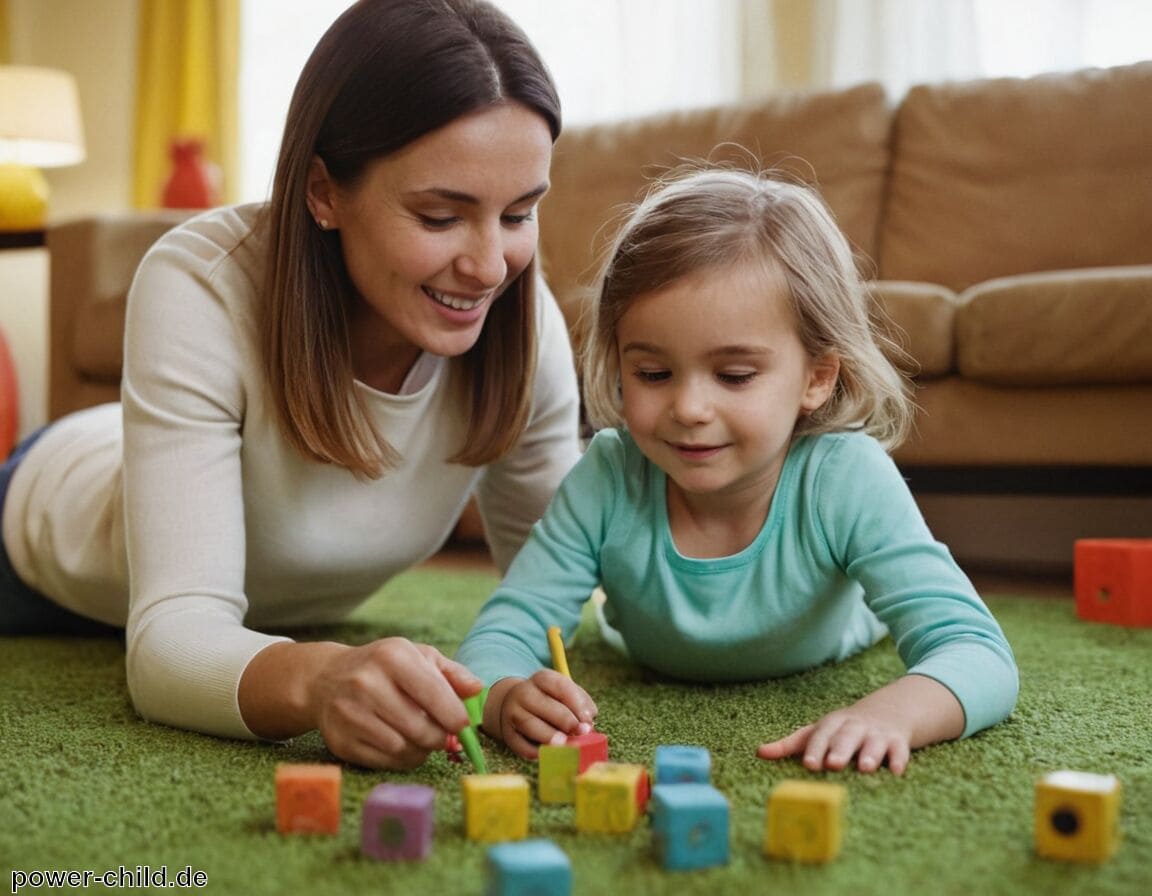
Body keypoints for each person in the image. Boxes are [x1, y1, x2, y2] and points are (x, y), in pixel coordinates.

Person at [0, 0, 582, 771]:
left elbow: (562, 584)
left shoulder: (523, 322)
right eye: (441, 216)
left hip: (268, 597)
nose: (488, 266)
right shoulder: (197, 282)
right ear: (322, 192)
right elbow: (171, 644)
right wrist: (321, 677)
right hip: (46, 533)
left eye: (519, 214)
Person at [455, 164, 1019, 776]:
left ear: (817, 377)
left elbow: (979, 654)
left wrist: (894, 714)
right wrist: (505, 694)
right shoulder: (609, 475)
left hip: (837, 642)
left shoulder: (844, 476)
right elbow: (499, 637)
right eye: (653, 374)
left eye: (734, 376)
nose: (690, 409)